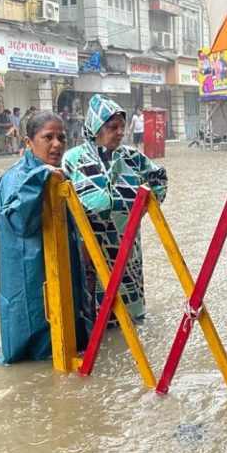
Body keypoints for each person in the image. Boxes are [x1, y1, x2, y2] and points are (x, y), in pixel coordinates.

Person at [0, 111, 90, 363]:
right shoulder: (18, 179)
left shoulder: (58, 175)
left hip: (64, 280)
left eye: (61, 138)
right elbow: (20, 221)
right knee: (38, 353)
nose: (56, 144)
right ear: (29, 143)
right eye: (48, 137)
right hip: (33, 286)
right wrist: (40, 177)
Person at [63, 94, 168, 323]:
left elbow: (159, 178)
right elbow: (61, 203)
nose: (120, 132)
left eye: (122, 126)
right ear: (96, 129)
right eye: (113, 127)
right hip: (90, 254)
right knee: (94, 318)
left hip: (127, 249)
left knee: (128, 317)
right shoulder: (74, 160)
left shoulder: (132, 158)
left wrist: (146, 208)